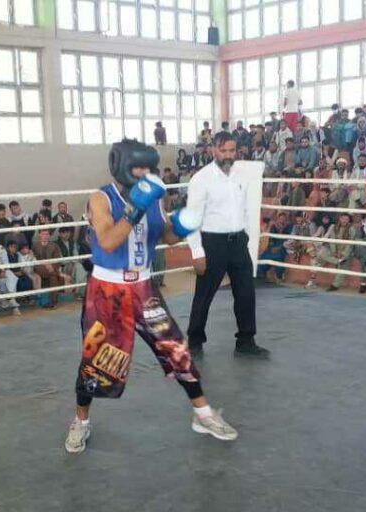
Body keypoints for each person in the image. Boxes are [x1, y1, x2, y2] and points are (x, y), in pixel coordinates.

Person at [65, 139, 237, 454]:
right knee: (96, 361)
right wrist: (136, 208)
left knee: (176, 349)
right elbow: (107, 242)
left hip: (144, 288)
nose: (145, 173)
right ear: (121, 166)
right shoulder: (100, 198)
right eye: (138, 167)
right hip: (107, 291)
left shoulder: (153, 197)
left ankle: (203, 414)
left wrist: (184, 224)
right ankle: (81, 422)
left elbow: (166, 236)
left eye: (148, 167)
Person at [185, 132, 270, 359]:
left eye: (232, 151)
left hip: (238, 240)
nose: (228, 156)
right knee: (204, 294)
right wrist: (196, 251)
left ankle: (246, 340)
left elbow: (247, 210)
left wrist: (254, 235)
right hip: (213, 242)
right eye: (223, 151)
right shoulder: (200, 179)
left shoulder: (241, 176)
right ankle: (194, 339)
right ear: (213, 150)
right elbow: (191, 218)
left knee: (246, 292)